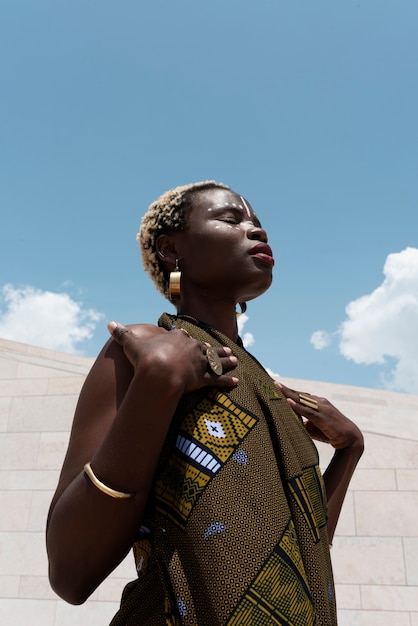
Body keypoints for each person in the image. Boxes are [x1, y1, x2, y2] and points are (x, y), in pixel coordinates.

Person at [46, 181, 364, 625]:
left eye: (258, 223)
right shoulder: (143, 350)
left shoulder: (270, 390)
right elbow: (69, 573)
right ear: (171, 249)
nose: (257, 231)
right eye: (231, 219)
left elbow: (298, 548)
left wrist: (348, 453)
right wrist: (156, 385)